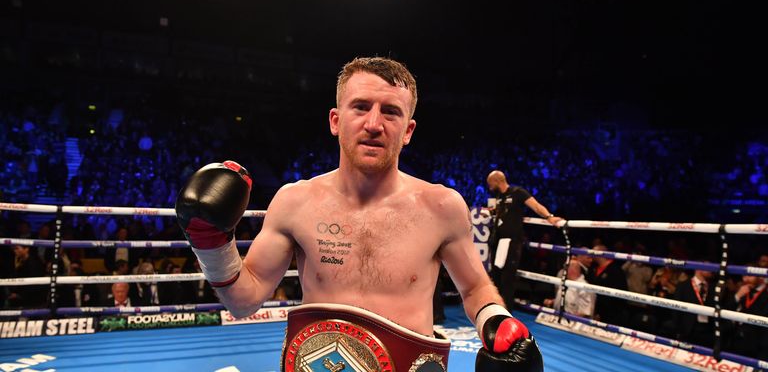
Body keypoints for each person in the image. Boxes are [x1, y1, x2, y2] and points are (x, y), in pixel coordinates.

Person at [176, 57, 543, 371]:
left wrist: (496, 320)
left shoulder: (441, 206)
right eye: (361, 106)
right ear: (336, 121)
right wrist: (211, 247)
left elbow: (476, 288)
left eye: (390, 111)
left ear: (408, 131)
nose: (373, 123)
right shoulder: (294, 202)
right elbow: (243, 301)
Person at [485, 170, 563, 309]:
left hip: (511, 241)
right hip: (498, 240)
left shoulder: (518, 192)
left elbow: (536, 206)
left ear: (497, 181)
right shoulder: (499, 196)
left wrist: (549, 217)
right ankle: (496, 307)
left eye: (490, 184)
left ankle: (506, 310)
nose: (489, 187)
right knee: (496, 275)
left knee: (507, 278)